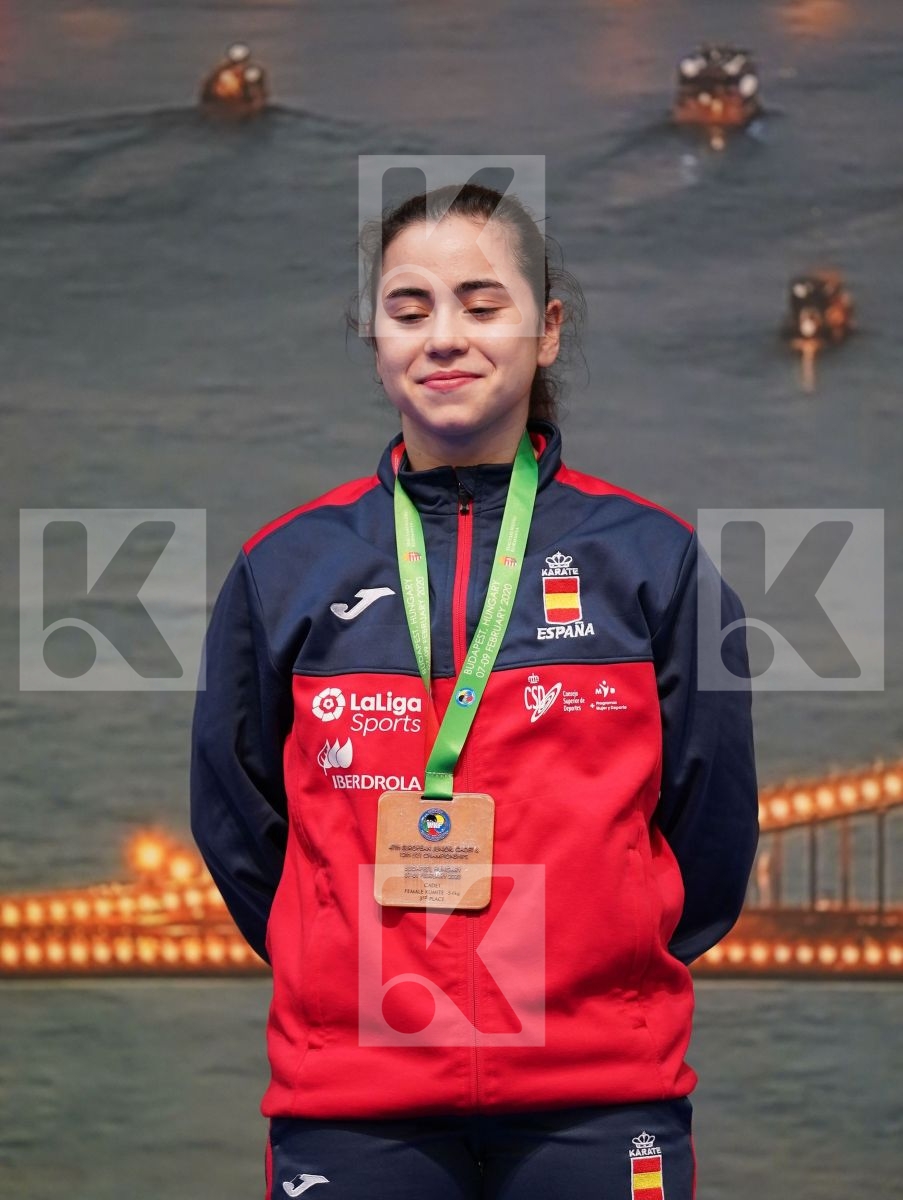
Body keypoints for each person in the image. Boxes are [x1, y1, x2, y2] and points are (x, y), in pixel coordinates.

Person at [190, 182, 759, 1199]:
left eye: (481, 304)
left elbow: (711, 834)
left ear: (545, 332)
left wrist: (606, 952)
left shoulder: (652, 563)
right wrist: (338, 948)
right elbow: (240, 828)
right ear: (375, 338)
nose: (444, 337)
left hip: (602, 1097)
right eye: (410, 310)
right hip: (352, 1107)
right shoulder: (285, 569)